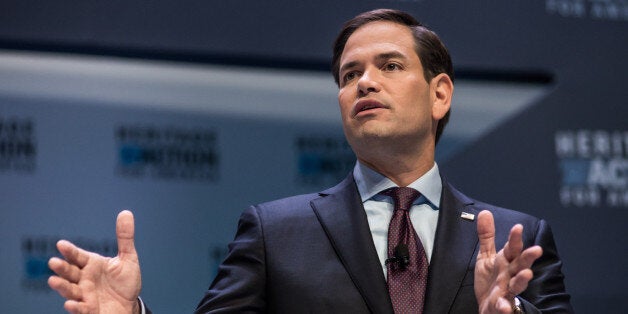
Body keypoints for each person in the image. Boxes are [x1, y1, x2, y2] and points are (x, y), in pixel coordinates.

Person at [48, 9, 573, 314]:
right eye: (349, 75)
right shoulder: (275, 233)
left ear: (440, 95)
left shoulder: (518, 239)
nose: (364, 82)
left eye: (390, 65)